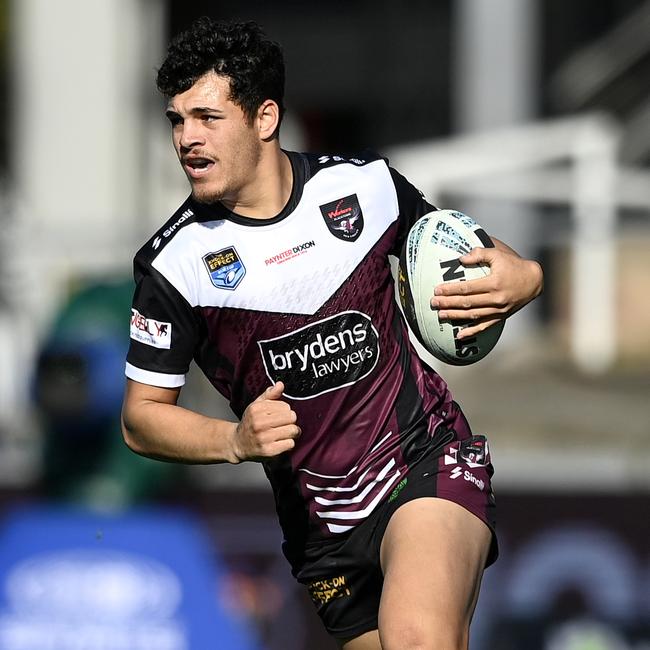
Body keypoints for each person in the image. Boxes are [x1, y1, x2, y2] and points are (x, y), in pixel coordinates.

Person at [121, 17, 543, 650]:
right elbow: (140, 419)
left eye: (208, 118)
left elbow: (470, 254)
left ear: (265, 118)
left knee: (418, 639)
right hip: (321, 526)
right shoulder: (174, 264)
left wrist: (527, 277)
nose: (187, 138)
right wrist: (234, 439)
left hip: (422, 460)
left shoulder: (365, 186)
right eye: (177, 121)